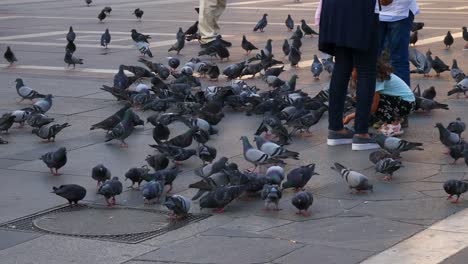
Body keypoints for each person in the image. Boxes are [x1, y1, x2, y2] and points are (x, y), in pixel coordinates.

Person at [318, 0, 381, 151]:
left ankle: (336, 129)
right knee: (366, 69)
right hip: (360, 9)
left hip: (335, 7)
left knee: (341, 65)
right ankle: (361, 134)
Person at [344, 60, 415, 136]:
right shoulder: (374, 75)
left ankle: (394, 125)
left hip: (406, 104)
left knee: (373, 101)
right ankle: (387, 121)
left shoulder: (376, 79)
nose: (351, 74)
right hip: (403, 101)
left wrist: (350, 117)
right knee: (365, 98)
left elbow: (373, 107)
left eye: (352, 71)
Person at [379, 0, 420, 86]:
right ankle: (381, 96)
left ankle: (402, 97)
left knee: (398, 60)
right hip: (377, 12)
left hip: (400, 12)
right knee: (374, 60)